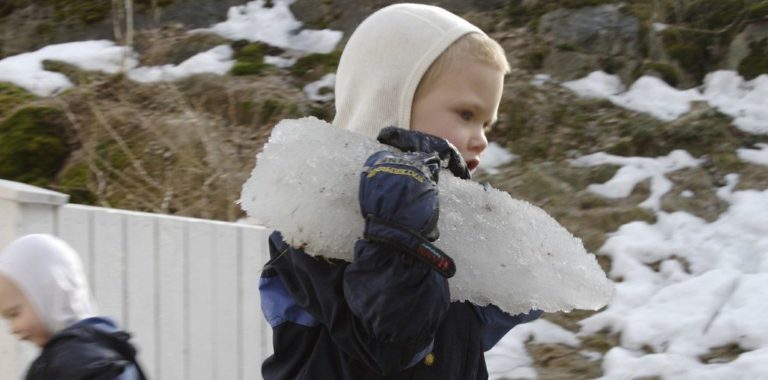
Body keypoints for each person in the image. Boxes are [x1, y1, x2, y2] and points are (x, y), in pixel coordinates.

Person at [259, 3, 542, 379]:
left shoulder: (445, 221)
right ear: (390, 101)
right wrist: (400, 229)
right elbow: (390, 341)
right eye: (466, 115)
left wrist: (505, 251)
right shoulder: (311, 223)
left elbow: (476, 326)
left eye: (488, 124)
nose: (482, 140)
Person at [0, 234, 146, 380]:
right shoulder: (102, 345)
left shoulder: (79, 363)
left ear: (50, 292)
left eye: (14, 314)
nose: (12, 329)